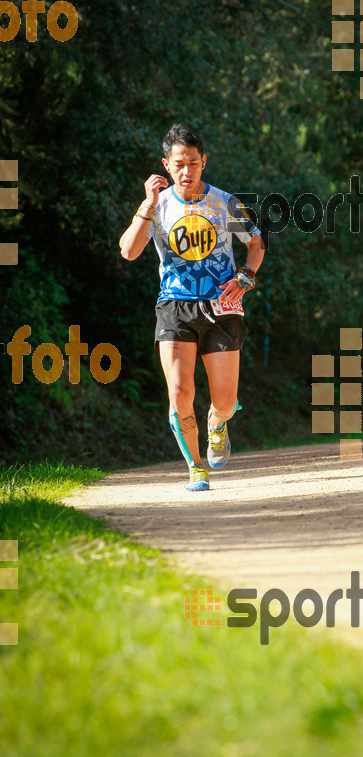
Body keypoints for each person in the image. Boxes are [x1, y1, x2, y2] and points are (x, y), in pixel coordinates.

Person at [119, 123, 263, 490]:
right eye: (179, 163)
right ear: (166, 165)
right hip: (174, 306)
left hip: (221, 307)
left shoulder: (225, 202)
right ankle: (196, 466)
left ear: (204, 162)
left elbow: (257, 243)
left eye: (194, 163)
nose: (187, 171)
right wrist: (149, 204)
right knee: (180, 392)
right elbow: (129, 251)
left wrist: (245, 278)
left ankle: (218, 424)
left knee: (225, 401)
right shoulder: (157, 206)